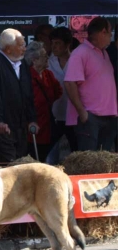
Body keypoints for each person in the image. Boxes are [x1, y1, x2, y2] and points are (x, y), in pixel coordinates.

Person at [0, 28, 39, 163]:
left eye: (24, 44)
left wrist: (32, 118)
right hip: (4, 122)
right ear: (8, 49)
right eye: (20, 45)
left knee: (21, 158)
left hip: (21, 121)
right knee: (9, 161)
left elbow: (28, 92)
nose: (24, 49)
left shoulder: (22, 63)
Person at [64, 17, 117, 152]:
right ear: (102, 32)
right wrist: (82, 112)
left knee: (102, 163)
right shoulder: (80, 53)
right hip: (90, 118)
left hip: (108, 117)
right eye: (110, 33)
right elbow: (70, 83)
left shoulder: (103, 52)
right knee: (88, 164)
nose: (111, 37)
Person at [24, 41, 62, 162]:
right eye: (44, 56)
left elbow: (58, 91)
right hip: (33, 123)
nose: (47, 58)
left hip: (48, 122)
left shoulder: (48, 74)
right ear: (34, 60)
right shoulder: (26, 76)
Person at [47, 27, 78, 163]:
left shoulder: (77, 60)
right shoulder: (48, 62)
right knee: (48, 151)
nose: (54, 47)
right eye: (52, 43)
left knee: (77, 152)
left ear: (67, 44)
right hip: (54, 115)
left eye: (58, 43)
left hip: (73, 114)